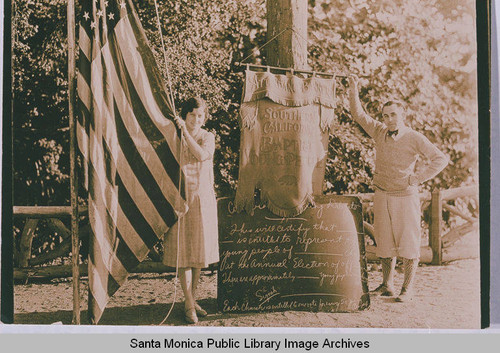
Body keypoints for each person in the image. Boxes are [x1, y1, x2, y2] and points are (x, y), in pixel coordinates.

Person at [347, 75, 448, 302]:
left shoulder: (414, 137)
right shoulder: (379, 131)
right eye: (386, 115)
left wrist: (417, 178)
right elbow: (359, 115)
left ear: (402, 116)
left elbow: (439, 159)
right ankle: (387, 284)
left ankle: (406, 288)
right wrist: (353, 89)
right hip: (381, 194)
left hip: (405, 196)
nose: (389, 119)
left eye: (393, 115)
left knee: (409, 242)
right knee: (384, 242)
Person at [163, 97, 219, 323]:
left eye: (201, 115)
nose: (197, 119)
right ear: (185, 115)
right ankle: (188, 303)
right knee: (183, 254)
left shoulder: (207, 137)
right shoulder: (173, 135)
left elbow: (201, 155)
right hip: (178, 199)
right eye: (193, 115)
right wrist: (177, 131)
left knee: (197, 254)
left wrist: (184, 132)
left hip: (202, 199)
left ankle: (190, 300)